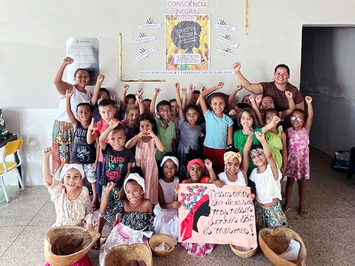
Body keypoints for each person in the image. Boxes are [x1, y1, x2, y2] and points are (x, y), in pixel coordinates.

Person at [43, 147, 94, 266]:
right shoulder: (58, 192)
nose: (72, 180)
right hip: (60, 232)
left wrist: (90, 223)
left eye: (76, 176)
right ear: (62, 179)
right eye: (68, 176)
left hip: (78, 233)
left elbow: (88, 212)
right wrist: (46, 158)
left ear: (81, 179)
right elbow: (48, 179)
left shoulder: (84, 191)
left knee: (77, 259)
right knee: (58, 257)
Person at [52, 57, 99, 179]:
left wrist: (99, 83)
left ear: (89, 79)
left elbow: (93, 103)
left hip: (76, 128)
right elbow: (56, 82)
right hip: (63, 126)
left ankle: (74, 186)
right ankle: (62, 187)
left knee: (74, 158)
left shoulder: (88, 94)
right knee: (62, 157)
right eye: (79, 76)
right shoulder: (70, 88)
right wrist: (64, 64)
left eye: (85, 76)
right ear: (74, 78)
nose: (83, 79)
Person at [99, 172, 154, 266]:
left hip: (138, 236)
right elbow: (103, 210)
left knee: (141, 258)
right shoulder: (124, 204)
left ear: (142, 191)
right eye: (128, 192)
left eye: (135, 191)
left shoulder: (147, 203)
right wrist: (108, 191)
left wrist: (150, 236)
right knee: (114, 257)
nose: (131, 195)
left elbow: (149, 220)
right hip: (122, 235)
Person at [96, 119, 135, 247]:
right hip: (106, 186)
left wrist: (124, 188)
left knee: (118, 212)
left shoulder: (128, 153)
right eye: (113, 139)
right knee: (103, 210)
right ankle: (98, 233)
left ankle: (116, 235)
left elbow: (128, 171)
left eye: (119, 138)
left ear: (124, 139)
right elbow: (101, 140)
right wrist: (109, 128)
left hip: (119, 186)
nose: (116, 142)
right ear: (109, 139)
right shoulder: (107, 149)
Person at [244, 131, 289, 231]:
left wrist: (263, 141)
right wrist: (253, 195)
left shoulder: (272, 169)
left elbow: (269, 156)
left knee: (278, 233)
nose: (257, 158)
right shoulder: (254, 173)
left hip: (273, 209)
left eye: (260, 154)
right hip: (259, 208)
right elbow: (256, 188)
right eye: (254, 157)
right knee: (262, 232)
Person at [65, 89, 99, 209]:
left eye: (86, 112)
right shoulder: (76, 124)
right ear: (77, 114)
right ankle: (81, 199)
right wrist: (68, 97)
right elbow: (68, 111)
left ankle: (95, 198)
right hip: (76, 160)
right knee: (79, 180)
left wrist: (96, 161)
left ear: (91, 113)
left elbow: (98, 144)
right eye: (81, 112)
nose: (84, 114)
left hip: (89, 159)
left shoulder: (94, 127)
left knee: (92, 180)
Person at [283, 96, 314, 216]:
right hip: (291, 161)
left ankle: (302, 205)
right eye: (293, 117)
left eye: (299, 119)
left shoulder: (305, 130)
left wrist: (308, 103)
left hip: (302, 162)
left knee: (301, 184)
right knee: (289, 183)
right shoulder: (288, 131)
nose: (296, 120)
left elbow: (310, 116)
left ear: (304, 122)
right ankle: (287, 204)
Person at [232, 62, 304, 111]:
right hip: (267, 123)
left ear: (288, 76)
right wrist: (237, 72)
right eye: (278, 73)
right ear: (274, 75)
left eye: (284, 74)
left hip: (288, 125)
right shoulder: (267, 86)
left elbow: (300, 112)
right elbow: (249, 86)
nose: (281, 76)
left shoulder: (294, 90)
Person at [125, 113, 165, 205]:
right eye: (142, 126)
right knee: (137, 186)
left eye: (148, 125)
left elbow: (162, 149)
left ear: (153, 125)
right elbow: (127, 146)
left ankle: (148, 205)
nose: (145, 128)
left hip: (150, 167)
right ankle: (138, 204)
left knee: (149, 186)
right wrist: (138, 136)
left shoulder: (154, 139)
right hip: (138, 166)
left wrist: (154, 135)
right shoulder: (138, 138)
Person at [180, 158, 216, 257]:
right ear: (188, 170)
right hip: (190, 214)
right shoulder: (184, 183)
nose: (195, 172)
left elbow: (213, 182)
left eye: (199, 169)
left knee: (203, 227)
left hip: (203, 213)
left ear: (203, 171)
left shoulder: (204, 180)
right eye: (192, 169)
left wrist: (210, 168)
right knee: (192, 229)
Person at [199, 82, 233, 174]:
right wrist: (215, 87)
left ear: (225, 104)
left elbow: (229, 138)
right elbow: (201, 96)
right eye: (215, 103)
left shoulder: (228, 120)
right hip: (208, 148)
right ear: (210, 105)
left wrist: (230, 150)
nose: (218, 106)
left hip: (223, 149)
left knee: (221, 172)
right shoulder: (208, 115)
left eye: (221, 103)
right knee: (208, 171)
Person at [87, 98, 117, 198]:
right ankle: (103, 203)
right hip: (102, 160)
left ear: (114, 110)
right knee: (103, 184)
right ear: (99, 113)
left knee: (114, 185)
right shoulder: (99, 124)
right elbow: (90, 141)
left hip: (114, 160)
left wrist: (111, 127)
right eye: (103, 112)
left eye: (109, 111)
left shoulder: (118, 124)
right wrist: (90, 129)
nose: (107, 115)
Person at [233, 107, 278, 172]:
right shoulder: (237, 134)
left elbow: (266, 127)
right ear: (240, 121)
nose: (246, 120)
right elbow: (236, 150)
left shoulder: (257, 132)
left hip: (256, 166)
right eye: (243, 118)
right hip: (242, 167)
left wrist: (273, 121)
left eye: (249, 118)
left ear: (253, 121)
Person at [174, 83, 203, 178]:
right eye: (189, 114)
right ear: (185, 116)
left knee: (193, 172)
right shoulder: (183, 123)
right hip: (183, 150)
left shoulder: (199, 127)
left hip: (195, 150)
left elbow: (197, 105)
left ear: (198, 115)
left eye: (194, 114)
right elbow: (179, 106)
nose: (192, 117)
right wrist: (177, 91)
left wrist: (200, 94)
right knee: (183, 171)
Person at [153, 155, 181, 244]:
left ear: (176, 169)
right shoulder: (159, 183)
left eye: (173, 168)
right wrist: (171, 205)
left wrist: (176, 194)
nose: (169, 170)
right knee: (164, 226)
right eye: (166, 167)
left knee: (179, 223)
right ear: (162, 168)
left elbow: (177, 199)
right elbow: (162, 204)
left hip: (175, 208)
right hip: (164, 209)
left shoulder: (178, 180)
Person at [150, 88, 176, 162]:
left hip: (168, 156)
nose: (165, 112)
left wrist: (174, 152)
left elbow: (173, 141)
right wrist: (154, 95)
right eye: (162, 110)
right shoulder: (156, 122)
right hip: (157, 156)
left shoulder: (172, 124)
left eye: (168, 110)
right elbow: (151, 112)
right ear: (158, 113)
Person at [264, 109, 288, 175]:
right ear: (265, 120)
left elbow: (284, 150)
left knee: (276, 182)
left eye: (274, 118)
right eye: (268, 118)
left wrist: (285, 165)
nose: (272, 121)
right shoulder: (263, 132)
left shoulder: (281, 133)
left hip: (277, 160)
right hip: (264, 161)